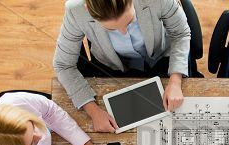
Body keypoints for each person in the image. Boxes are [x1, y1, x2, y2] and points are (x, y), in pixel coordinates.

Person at [53, 0, 191, 133]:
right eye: (111, 29)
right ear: (88, 10)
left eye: (130, 22)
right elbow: (63, 65)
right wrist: (93, 111)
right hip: (112, 68)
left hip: (160, 59)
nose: (124, 32)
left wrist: (175, 81)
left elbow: (180, 33)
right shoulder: (75, 10)